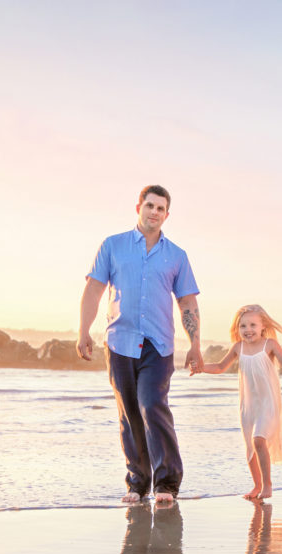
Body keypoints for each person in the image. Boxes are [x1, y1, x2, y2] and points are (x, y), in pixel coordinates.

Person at [77, 184, 204, 505]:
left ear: (167, 214)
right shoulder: (113, 246)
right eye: (150, 206)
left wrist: (195, 343)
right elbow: (94, 290)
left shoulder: (176, 255)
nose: (154, 213)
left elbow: (187, 302)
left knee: (152, 405)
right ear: (139, 207)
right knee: (129, 415)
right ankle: (137, 483)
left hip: (158, 345)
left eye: (161, 209)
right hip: (119, 343)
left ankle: (167, 484)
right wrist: (84, 331)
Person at [201, 305, 282, 500]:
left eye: (252, 324)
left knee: (258, 440)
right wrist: (201, 367)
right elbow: (219, 367)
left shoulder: (270, 344)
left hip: (268, 403)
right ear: (237, 329)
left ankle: (267, 485)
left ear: (263, 326)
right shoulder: (238, 347)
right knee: (250, 446)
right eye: (243, 326)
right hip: (249, 405)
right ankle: (256, 485)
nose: (248, 329)